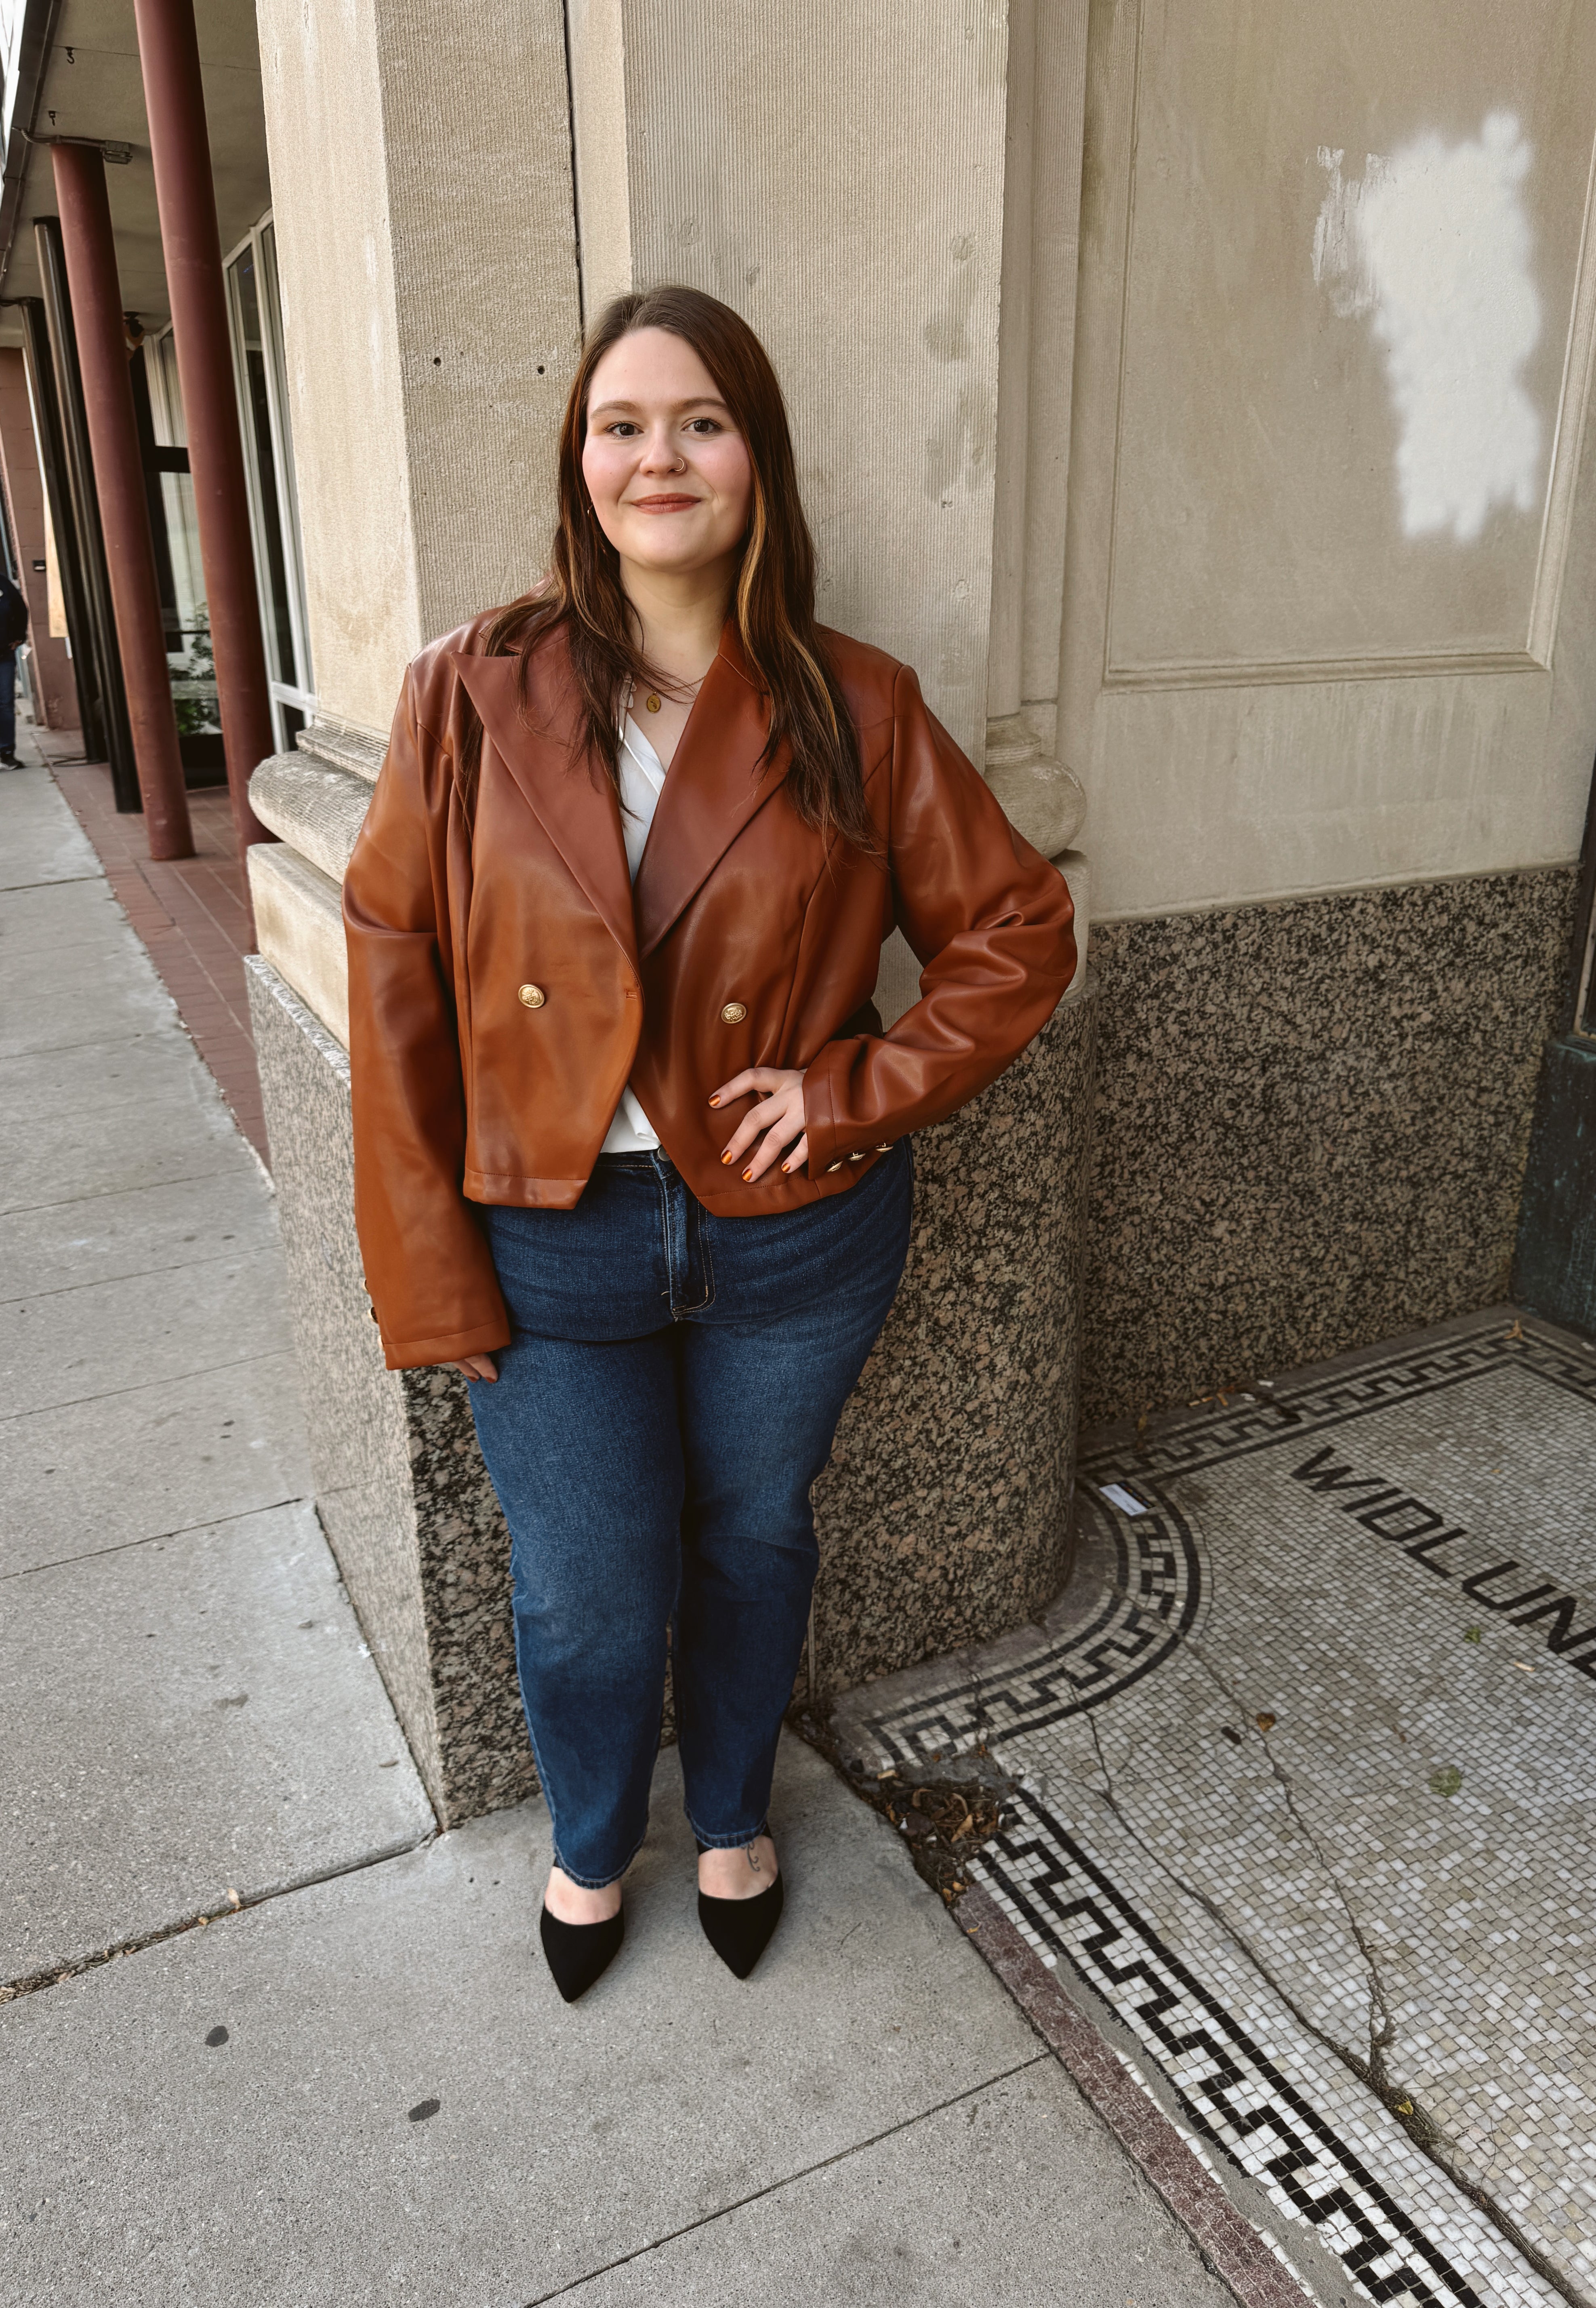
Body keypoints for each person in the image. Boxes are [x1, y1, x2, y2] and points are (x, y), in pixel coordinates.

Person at [343, 284, 1075, 2003]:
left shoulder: (852, 701)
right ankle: (592, 1839)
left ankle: (734, 1812)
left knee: (752, 1538)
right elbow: (390, 977)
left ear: (754, 461)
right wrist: (427, 1267)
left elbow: (1017, 929)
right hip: (551, 1231)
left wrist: (857, 1086)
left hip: (790, 1236)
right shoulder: (471, 690)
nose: (654, 455)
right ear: (577, 464)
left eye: (697, 421)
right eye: (620, 424)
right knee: (591, 1586)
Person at [0, 566, 29, 766]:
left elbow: (20, 609)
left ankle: (6, 751)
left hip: (3, 656)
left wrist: (18, 637)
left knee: (5, 704)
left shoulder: (3, 584)